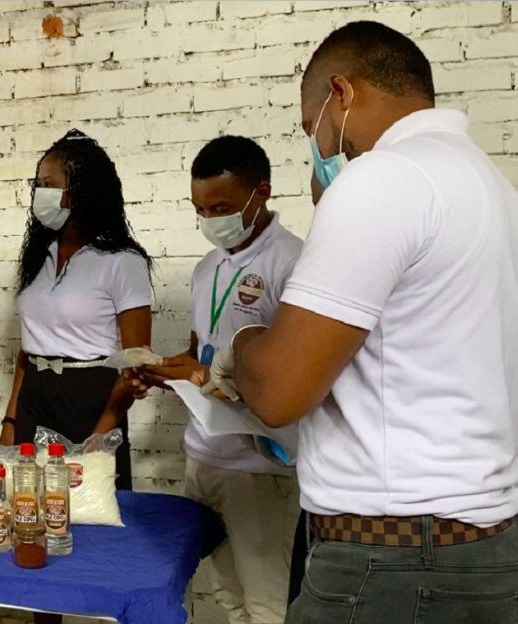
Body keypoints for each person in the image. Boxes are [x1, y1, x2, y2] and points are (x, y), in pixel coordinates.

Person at [192, 21, 518, 623]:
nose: (319, 148)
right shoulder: (490, 185)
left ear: (341, 95)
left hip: (392, 555)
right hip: (484, 542)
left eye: (310, 127)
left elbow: (280, 393)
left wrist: (241, 340)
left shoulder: (383, 179)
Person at [129, 136, 303, 624]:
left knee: (266, 605)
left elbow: (291, 376)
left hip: (259, 465)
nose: (210, 221)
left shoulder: (292, 263)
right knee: (225, 598)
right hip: (202, 455)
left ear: (261, 192)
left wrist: (203, 373)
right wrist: (160, 370)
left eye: (221, 207)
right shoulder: (208, 269)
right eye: (199, 209)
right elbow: (197, 353)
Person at [0, 129, 153, 492]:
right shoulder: (39, 256)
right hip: (35, 398)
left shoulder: (122, 261)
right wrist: (10, 420)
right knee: (28, 506)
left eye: (49, 184)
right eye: (37, 185)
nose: (39, 194)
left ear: (82, 190)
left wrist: (101, 434)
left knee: (91, 512)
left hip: (93, 400)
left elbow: (137, 360)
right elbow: (28, 349)